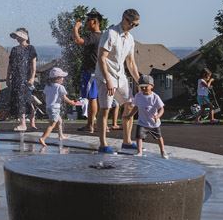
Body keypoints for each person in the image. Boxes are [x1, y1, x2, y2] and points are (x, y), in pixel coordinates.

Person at [95, 8, 142, 154]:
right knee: (105, 109)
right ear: (124, 19)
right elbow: (101, 58)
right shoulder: (110, 34)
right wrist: (108, 80)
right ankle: (103, 144)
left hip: (120, 76)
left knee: (130, 104)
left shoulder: (130, 38)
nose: (133, 27)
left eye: (136, 25)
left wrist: (140, 82)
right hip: (105, 76)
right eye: (132, 24)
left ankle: (127, 142)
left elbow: (131, 62)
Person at [71, 9, 105, 133]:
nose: (86, 23)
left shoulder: (93, 36)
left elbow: (79, 41)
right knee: (97, 97)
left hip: (91, 71)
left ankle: (90, 125)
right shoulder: (103, 36)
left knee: (92, 98)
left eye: (88, 21)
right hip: (98, 70)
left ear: (94, 22)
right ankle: (100, 124)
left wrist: (76, 28)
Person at [39, 67, 84, 146]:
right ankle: (43, 138)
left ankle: (61, 135)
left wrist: (49, 101)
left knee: (59, 121)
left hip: (49, 107)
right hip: (55, 108)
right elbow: (64, 98)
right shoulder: (60, 87)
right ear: (57, 78)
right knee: (52, 125)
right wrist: (71, 102)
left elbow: (44, 95)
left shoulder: (48, 86)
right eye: (62, 77)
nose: (63, 79)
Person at [7, 28, 38, 131]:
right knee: (20, 100)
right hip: (17, 78)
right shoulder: (14, 49)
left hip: (27, 79)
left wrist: (32, 77)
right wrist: (8, 77)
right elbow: (10, 65)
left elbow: (33, 65)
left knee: (28, 101)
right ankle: (23, 123)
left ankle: (31, 122)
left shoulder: (30, 48)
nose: (17, 38)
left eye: (18, 36)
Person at [132, 74, 168, 157]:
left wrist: (157, 116)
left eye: (145, 86)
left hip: (154, 123)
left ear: (152, 86)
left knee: (159, 137)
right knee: (139, 137)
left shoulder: (155, 97)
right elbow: (136, 107)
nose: (143, 88)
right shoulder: (138, 96)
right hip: (142, 122)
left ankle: (162, 151)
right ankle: (139, 152)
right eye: (141, 87)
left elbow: (161, 109)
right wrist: (130, 115)